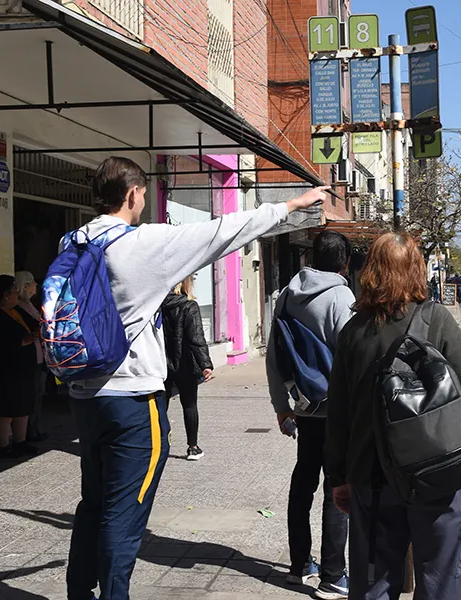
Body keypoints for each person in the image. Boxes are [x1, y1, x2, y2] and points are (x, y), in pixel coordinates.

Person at [63, 156, 326, 600]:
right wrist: (292, 204)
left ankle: (78, 590)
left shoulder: (73, 241)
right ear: (132, 194)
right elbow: (222, 231)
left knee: (95, 500)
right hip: (131, 403)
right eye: (144, 193)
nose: (144, 201)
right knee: (124, 512)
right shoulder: (141, 245)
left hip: (84, 395)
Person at [325, 233, 461, 600]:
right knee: (443, 578)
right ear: (417, 270)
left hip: (372, 478)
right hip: (437, 471)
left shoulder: (353, 332)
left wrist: (339, 477)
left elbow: (339, 412)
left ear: (369, 272)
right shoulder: (435, 319)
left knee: (375, 582)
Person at [266, 231, 355, 599]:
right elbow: (353, 359)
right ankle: (333, 574)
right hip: (336, 410)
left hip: (304, 406)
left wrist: (281, 406)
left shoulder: (287, 294)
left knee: (303, 481)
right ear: (345, 262)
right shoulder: (342, 297)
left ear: (311, 259)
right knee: (338, 486)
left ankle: (299, 564)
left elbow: (274, 354)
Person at [0, 275, 41, 458]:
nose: (16, 295)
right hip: (4, 369)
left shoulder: (17, 311)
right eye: (13, 292)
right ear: (5, 295)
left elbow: (34, 324)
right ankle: (2, 446)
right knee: (5, 409)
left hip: (23, 368)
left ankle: (20, 442)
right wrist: (22, 341)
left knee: (22, 406)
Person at [162, 274, 213, 461]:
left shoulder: (158, 306)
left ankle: (159, 445)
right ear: (186, 283)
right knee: (189, 404)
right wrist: (205, 364)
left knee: (161, 406)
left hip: (162, 364)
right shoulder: (189, 306)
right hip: (185, 364)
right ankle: (193, 448)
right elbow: (196, 338)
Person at [14, 271, 48, 443]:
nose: (36, 285)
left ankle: (34, 427)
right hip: (31, 357)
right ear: (25, 286)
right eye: (33, 282)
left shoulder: (29, 305)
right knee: (32, 395)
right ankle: (29, 431)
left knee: (38, 394)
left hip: (39, 356)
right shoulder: (19, 307)